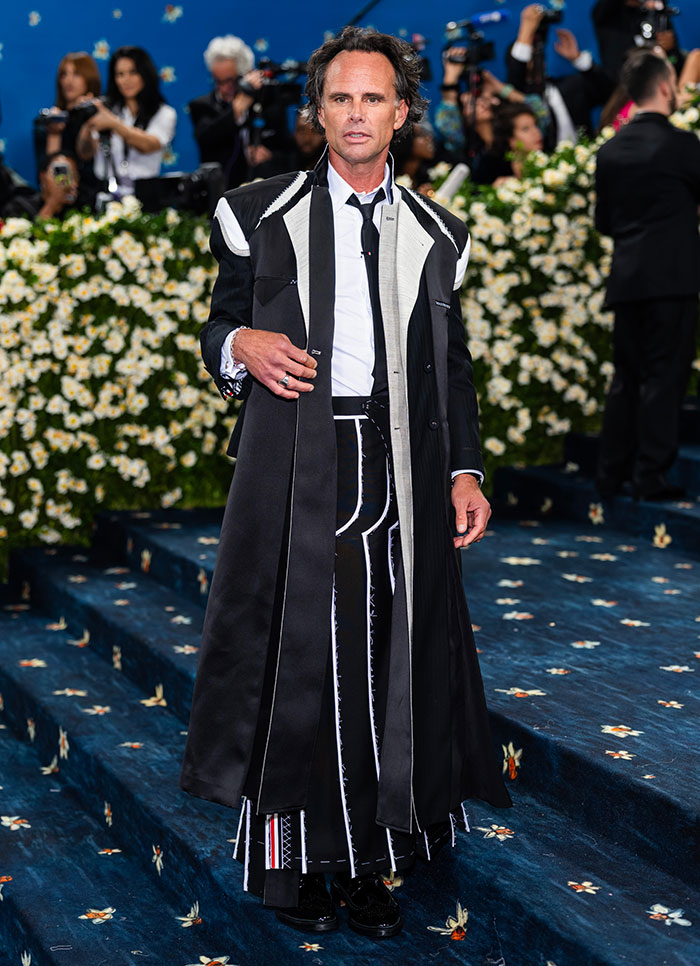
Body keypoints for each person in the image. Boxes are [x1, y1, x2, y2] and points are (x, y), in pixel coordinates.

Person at [180, 25, 511, 939]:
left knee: (392, 666)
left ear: (402, 113)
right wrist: (237, 345)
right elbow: (218, 329)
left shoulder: (443, 234)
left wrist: (464, 469)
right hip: (298, 470)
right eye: (339, 98)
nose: (356, 114)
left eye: (373, 98)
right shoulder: (256, 212)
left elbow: (454, 365)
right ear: (316, 111)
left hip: (402, 466)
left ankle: (374, 863)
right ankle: (300, 870)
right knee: (303, 669)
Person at [595, 49, 700, 501]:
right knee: (664, 377)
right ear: (664, 86)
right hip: (672, 279)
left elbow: (603, 222)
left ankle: (609, 473)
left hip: (627, 279)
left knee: (626, 378)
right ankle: (650, 476)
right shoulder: (682, 145)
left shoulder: (610, 150)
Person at [188, 35, 291, 190]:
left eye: (230, 81)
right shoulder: (201, 106)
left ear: (246, 74)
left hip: (265, 189)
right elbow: (205, 139)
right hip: (222, 192)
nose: (224, 88)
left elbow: (289, 150)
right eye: (218, 81)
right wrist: (236, 110)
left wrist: (270, 155)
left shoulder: (268, 100)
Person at [507, 4, 613, 149]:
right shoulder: (516, 99)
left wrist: (578, 59)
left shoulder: (571, 86)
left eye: (536, 54)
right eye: (529, 55)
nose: (535, 59)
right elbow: (515, 80)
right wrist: (525, 32)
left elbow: (609, 92)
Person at [75, 45, 176, 196]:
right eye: (120, 74)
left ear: (145, 74)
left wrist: (113, 123)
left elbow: (149, 144)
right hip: (105, 190)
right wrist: (88, 122)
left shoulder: (164, 113)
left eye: (133, 72)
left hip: (146, 193)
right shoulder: (106, 108)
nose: (126, 80)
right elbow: (85, 153)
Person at [435, 48, 528, 178]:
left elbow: (537, 108)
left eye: (480, 100)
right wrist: (450, 77)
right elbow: (446, 121)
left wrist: (498, 87)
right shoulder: (466, 145)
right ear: (462, 117)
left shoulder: (511, 135)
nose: (479, 103)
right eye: (470, 104)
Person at [34, 52, 104, 210]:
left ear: (89, 78)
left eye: (76, 74)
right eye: (64, 74)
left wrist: (88, 116)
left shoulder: (102, 116)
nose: (69, 81)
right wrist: (54, 133)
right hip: (57, 201)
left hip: (91, 198)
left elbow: (88, 157)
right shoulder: (47, 122)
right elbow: (48, 176)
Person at [593, 0, 686, 82]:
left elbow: (676, 63)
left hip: (657, 82)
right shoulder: (607, 14)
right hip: (620, 87)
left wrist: (671, 51)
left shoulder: (658, 15)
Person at [0, 151, 80, 220]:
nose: (69, 183)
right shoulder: (19, 206)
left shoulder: (82, 205)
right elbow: (29, 236)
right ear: (42, 177)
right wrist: (53, 202)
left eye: (73, 176)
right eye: (59, 175)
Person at [477, 102, 543, 184]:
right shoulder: (494, 171)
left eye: (536, 125)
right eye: (526, 129)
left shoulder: (550, 167)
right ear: (510, 140)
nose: (536, 132)